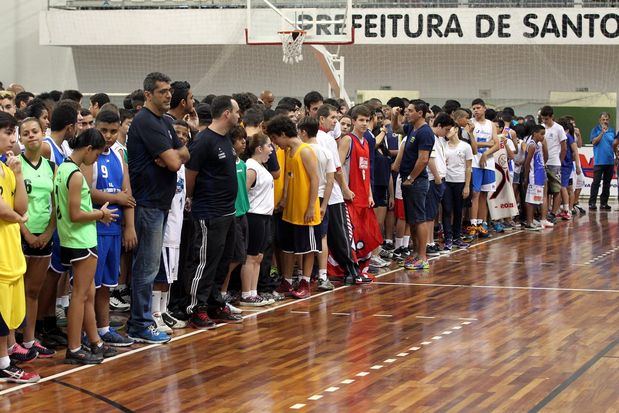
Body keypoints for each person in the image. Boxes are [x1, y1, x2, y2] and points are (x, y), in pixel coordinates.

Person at [127, 72, 189, 344]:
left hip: (161, 202)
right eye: (162, 91)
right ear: (148, 94)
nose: (168, 95)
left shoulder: (165, 121)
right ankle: (139, 324)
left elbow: (184, 153)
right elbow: (176, 162)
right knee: (147, 267)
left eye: (169, 91)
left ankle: (142, 321)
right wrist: (173, 157)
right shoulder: (145, 121)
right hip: (148, 203)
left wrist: (172, 156)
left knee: (150, 266)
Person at [54, 129, 119, 364]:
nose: (96, 159)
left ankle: (95, 342)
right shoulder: (77, 174)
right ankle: (73, 347)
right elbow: (75, 213)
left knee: (88, 293)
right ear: (89, 149)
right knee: (80, 296)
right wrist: (100, 213)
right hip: (81, 240)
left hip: (72, 238)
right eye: (97, 154)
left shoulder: (63, 168)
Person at [184, 95, 243, 328]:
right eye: (237, 111)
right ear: (227, 113)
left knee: (222, 261)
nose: (240, 116)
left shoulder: (226, 139)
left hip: (228, 212)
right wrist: (191, 198)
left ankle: (214, 302)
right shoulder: (203, 141)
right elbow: (191, 175)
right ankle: (195, 308)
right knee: (204, 261)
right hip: (209, 211)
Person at [82, 110, 136, 347]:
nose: (108, 136)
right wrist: (116, 199)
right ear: (95, 127)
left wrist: (130, 226)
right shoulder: (88, 154)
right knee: (89, 287)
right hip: (93, 227)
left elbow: (129, 195)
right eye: (103, 130)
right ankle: (87, 332)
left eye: (113, 131)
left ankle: (103, 329)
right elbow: (85, 191)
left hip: (114, 229)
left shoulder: (118, 155)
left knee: (106, 285)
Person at [0, 112, 40, 383]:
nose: (13, 139)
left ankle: (4, 359)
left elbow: (20, 206)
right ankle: (3, 363)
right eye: (7, 133)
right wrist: (18, 218)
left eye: (14, 133)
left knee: (10, 314)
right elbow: (5, 210)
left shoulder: (7, 168)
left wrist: (18, 172)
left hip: (11, 249)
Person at [315, 105, 371, 285]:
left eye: (336, 118)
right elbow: (337, 168)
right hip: (333, 195)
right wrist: (345, 189)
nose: (335, 121)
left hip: (319, 194)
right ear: (321, 119)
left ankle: (319, 274)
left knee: (323, 237)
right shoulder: (331, 139)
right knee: (342, 236)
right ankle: (352, 271)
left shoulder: (311, 138)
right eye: (332, 117)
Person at [267, 115, 321, 299]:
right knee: (287, 247)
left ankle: (305, 281)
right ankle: (288, 281)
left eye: (275, 138)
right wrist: (284, 199)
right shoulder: (289, 151)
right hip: (290, 209)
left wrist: (311, 207)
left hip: (306, 209)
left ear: (283, 134)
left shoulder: (305, 151)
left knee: (307, 248)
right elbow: (290, 178)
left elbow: (315, 179)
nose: (275, 143)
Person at [18, 118, 57, 358]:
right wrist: (28, 234)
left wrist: (47, 232)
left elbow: (56, 206)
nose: (31, 136)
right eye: (26, 133)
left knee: (33, 291)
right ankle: (14, 341)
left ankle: (30, 339)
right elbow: (11, 205)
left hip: (44, 237)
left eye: (35, 131)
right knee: (16, 292)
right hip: (20, 235)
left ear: (43, 133)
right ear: (20, 139)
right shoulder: (14, 165)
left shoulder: (52, 167)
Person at [151, 120, 190, 332]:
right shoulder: (164, 160)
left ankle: (164, 310)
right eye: (177, 132)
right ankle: (154, 314)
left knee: (170, 276)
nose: (181, 136)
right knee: (160, 274)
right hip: (165, 228)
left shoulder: (182, 164)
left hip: (177, 227)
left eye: (185, 133)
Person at [339, 105, 384, 270]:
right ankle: (350, 267)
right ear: (353, 121)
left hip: (364, 196)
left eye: (367, 120)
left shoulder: (366, 141)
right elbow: (337, 167)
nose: (364, 123)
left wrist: (370, 194)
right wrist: (344, 189)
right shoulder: (348, 140)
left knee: (367, 233)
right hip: (350, 195)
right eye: (361, 120)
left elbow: (365, 170)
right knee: (352, 234)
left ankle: (363, 265)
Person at [298, 116, 335, 291]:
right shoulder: (326, 151)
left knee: (304, 239)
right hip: (320, 199)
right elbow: (330, 182)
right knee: (322, 238)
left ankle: (303, 276)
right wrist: (324, 205)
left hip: (305, 199)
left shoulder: (301, 151)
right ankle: (322, 275)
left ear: (303, 131)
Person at [397, 100, 434, 270]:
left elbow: (424, 159)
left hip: (417, 182)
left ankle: (423, 256)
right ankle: (415, 252)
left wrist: (411, 178)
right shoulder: (413, 128)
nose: (407, 113)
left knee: (419, 219)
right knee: (412, 219)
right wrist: (393, 115)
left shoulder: (425, 132)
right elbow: (397, 128)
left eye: (410, 111)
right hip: (408, 180)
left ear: (420, 113)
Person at [241, 133, 275, 304]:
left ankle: (254, 292)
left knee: (259, 257)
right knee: (251, 256)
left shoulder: (261, 166)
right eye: (269, 145)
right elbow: (243, 192)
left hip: (264, 216)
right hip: (254, 215)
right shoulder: (252, 167)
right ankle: (246, 294)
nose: (271, 149)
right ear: (259, 148)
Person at [467, 98, 499, 239]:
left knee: (485, 195)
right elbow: (471, 144)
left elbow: (497, 144)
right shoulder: (470, 124)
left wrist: (486, 153)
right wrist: (487, 143)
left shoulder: (491, 124)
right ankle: (473, 224)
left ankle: (482, 223)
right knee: (475, 194)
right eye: (474, 108)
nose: (476, 110)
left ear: (485, 109)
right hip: (474, 162)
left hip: (488, 162)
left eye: (478, 108)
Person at [425, 113, 455, 255]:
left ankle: (431, 241)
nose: (447, 133)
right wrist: (437, 177)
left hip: (439, 178)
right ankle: (428, 243)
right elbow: (430, 159)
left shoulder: (438, 138)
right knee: (429, 214)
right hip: (432, 179)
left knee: (433, 213)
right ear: (439, 126)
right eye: (446, 129)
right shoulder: (430, 137)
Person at [442, 116, 473, 250]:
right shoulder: (443, 146)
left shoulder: (466, 146)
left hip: (460, 181)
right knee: (447, 210)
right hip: (446, 182)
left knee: (458, 210)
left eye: (450, 129)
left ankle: (457, 237)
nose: (447, 132)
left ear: (456, 130)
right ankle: (448, 238)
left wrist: (467, 185)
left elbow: (468, 167)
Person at [539, 106, 567, 219]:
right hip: (542, 162)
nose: (544, 121)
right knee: (544, 190)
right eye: (543, 119)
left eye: (546, 119)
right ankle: (543, 214)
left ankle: (553, 213)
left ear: (552, 117)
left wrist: (559, 161)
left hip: (554, 163)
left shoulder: (559, 128)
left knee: (556, 189)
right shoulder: (540, 128)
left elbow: (564, 147)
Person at [589, 112, 615, 211]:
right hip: (599, 161)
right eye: (603, 119)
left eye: (607, 119)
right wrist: (602, 133)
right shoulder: (595, 130)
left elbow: (614, 144)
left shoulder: (612, 131)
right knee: (596, 182)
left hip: (610, 161)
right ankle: (592, 203)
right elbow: (594, 142)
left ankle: (604, 203)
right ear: (600, 120)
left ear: (609, 120)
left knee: (607, 183)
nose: (605, 121)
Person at [523, 125, 547, 230]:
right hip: (533, 176)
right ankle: (529, 222)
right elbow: (527, 163)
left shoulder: (539, 145)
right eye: (541, 134)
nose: (543, 137)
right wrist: (525, 177)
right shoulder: (532, 145)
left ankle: (532, 220)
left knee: (536, 199)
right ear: (534, 133)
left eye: (544, 134)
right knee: (530, 200)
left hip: (539, 174)